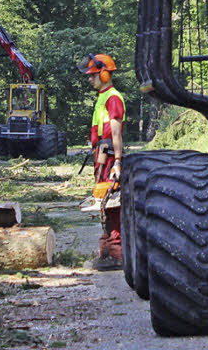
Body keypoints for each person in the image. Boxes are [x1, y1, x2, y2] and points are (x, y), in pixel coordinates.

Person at [80, 53, 124, 271]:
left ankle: (117, 253)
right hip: (101, 156)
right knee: (102, 202)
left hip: (108, 157)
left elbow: (116, 133)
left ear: (105, 74)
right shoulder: (102, 97)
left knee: (112, 202)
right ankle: (106, 251)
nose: (90, 79)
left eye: (94, 75)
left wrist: (117, 161)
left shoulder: (113, 97)